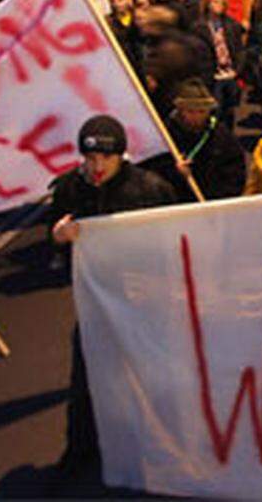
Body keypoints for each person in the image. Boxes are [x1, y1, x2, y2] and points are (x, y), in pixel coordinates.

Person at [48, 115, 178, 474]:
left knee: (156, 376)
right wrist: (58, 238)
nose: (97, 166)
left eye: (105, 157)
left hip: (147, 302)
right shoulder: (69, 190)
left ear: (122, 154)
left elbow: (172, 241)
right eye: (90, 158)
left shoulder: (150, 189)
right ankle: (80, 450)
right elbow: (56, 246)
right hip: (96, 302)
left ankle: (169, 445)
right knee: (86, 379)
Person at [144, 80, 246, 202]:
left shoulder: (222, 136)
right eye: (191, 112)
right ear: (181, 110)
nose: (196, 117)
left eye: (202, 111)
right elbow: (152, 171)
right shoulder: (165, 135)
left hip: (211, 202)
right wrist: (174, 172)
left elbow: (236, 174)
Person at [194, 0, 245, 129]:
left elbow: (240, 50)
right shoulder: (199, 26)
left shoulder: (231, 25)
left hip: (230, 74)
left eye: (220, 2)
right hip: (213, 75)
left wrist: (237, 70)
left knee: (230, 111)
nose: (217, 5)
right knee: (215, 111)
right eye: (214, 2)